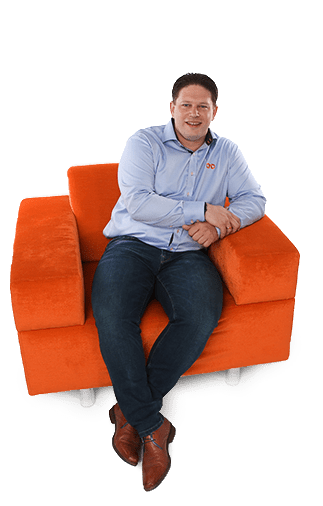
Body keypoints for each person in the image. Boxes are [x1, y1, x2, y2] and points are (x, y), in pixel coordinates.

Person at [91, 73, 266, 491]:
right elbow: (138, 203)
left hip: (188, 254)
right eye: (186, 105)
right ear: (172, 108)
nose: (194, 113)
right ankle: (154, 426)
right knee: (113, 314)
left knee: (200, 315)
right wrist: (202, 210)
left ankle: (129, 413)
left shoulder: (226, 152)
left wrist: (220, 228)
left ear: (214, 111)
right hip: (133, 244)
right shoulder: (144, 143)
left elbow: (254, 200)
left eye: (203, 106)